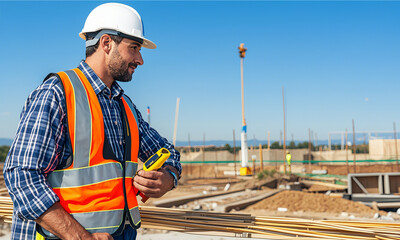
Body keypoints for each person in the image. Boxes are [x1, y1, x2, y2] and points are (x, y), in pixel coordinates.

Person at [3, 3, 181, 240]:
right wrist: (81, 237)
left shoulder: (124, 105)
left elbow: (168, 153)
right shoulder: (57, 93)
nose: (140, 59)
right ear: (106, 43)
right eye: (134, 48)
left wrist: (168, 179)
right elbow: (21, 176)